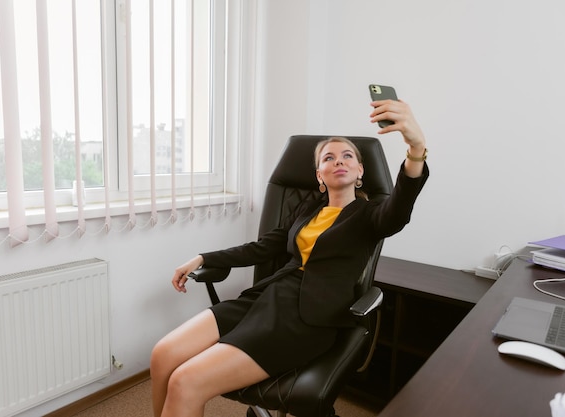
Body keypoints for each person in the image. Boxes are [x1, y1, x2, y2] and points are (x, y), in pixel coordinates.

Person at [150, 98, 429, 417]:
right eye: (329, 157)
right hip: (264, 299)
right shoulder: (306, 210)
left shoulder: (370, 215)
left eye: (348, 155)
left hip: (305, 318)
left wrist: (416, 148)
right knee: (162, 355)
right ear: (319, 175)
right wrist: (202, 257)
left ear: (360, 170)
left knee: (186, 382)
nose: (339, 161)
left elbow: (399, 210)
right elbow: (261, 247)